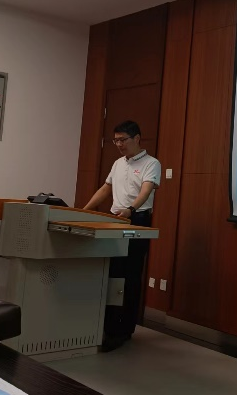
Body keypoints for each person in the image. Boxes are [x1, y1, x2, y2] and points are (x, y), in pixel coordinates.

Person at [83, 120, 161, 352]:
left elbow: (146, 189)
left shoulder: (151, 163)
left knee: (130, 275)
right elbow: (105, 188)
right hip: (115, 220)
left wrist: (131, 209)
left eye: (123, 140)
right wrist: (84, 210)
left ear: (137, 138)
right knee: (112, 273)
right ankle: (108, 326)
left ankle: (124, 330)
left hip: (137, 220)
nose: (119, 144)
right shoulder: (118, 163)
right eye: (116, 140)